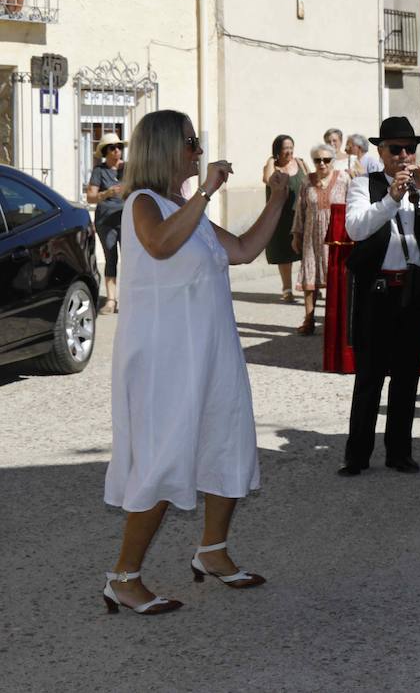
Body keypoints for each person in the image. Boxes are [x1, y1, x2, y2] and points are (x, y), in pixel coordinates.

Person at [103, 109, 291, 615]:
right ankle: (123, 576)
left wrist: (277, 197)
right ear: (165, 148)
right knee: (164, 457)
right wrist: (206, 192)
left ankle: (212, 551)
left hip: (211, 349)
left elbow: (245, 250)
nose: (199, 148)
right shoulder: (143, 204)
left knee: (226, 442)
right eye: (189, 141)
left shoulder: (187, 209)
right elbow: (160, 245)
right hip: (165, 358)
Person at [338, 117, 420, 476]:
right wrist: (391, 199)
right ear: (381, 151)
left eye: (410, 149)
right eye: (396, 149)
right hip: (377, 292)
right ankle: (357, 455)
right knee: (370, 376)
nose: (404, 155)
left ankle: (399, 452)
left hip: (413, 289)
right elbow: (356, 228)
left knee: (407, 376)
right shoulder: (363, 185)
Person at [291, 144, 348, 336]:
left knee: (335, 277)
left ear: (333, 160)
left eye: (326, 160)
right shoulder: (307, 181)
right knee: (310, 275)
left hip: (336, 237)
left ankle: (334, 321)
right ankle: (309, 319)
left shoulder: (344, 178)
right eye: (317, 160)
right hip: (311, 235)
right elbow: (300, 209)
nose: (322, 164)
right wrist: (296, 235)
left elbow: (352, 207)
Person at [86, 132, 126, 314]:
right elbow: (91, 197)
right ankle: (111, 301)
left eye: (120, 146)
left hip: (127, 220)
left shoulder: (129, 169)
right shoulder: (99, 171)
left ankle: (131, 299)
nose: (117, 150)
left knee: (132, 259)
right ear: (105, 151)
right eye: (112, 147)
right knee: (111, 259)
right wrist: (107, 193)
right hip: (106, 222)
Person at [262, 134, 305, 302]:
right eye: (285, 148)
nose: (289, 151)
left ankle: (309, 284)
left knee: (305, 251)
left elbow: (308, 180)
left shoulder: (300, 163)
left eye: (291, 147)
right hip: (281, 216)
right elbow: (267, 179)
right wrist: (272, 161)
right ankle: (287, 288)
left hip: (300, 214)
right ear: (277, 151)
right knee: (284, 253)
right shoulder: (272, 167)